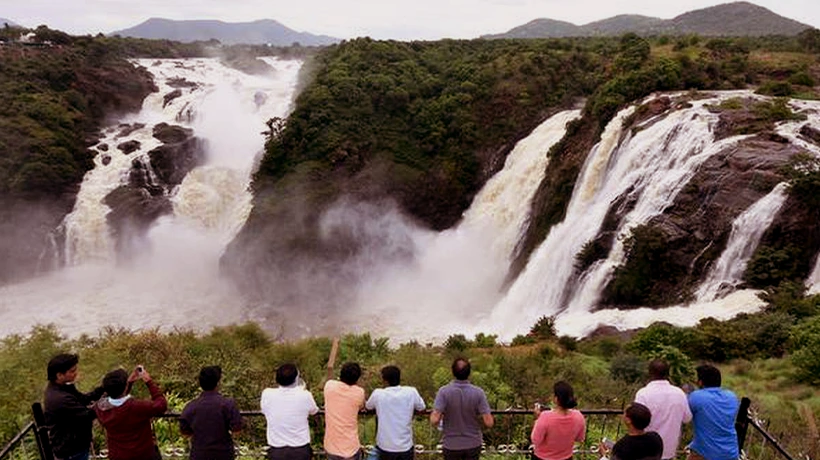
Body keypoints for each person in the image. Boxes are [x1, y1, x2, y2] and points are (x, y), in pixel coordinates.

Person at [94, 365, 168, 460]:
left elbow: (117, 400)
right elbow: (161, 405)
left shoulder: (100, 409)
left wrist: (128, 383)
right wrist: (149, 381)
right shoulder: (136, 407)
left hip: (117, 456)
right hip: (142, 455)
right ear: (124, 387)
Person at [43, 353, 105, 460]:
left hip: (76, 446)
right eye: (72, 371)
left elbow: (83, 399)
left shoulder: (64, 387)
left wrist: (103, 388)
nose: (76, 374)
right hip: (71, 451)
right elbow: (87, 415)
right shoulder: (59, 399)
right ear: (59, 375)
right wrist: (109, 401)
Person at [430, 357, 494, 460]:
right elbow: (489, 422)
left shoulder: (443, 392)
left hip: (451, 445)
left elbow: (434, 420)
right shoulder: (479, 392)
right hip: (473, 444)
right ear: (469, 372)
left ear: (453, 372)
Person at [179, 365, 244, 460]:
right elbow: (237, 431)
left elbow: (185, 433)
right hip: (223, 454)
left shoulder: (190, 407)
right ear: (218, 383)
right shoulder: (228, 404)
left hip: (199, 454)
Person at [365, 365, 426, 460]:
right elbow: (422, 407)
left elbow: (368, 407)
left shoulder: (378, 394)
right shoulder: (411, 392)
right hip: (405, 446)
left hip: (385, 446)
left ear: (384, 380)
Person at [635, 359, 692, 460]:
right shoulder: (679, 393)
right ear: (668, 373)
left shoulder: (643, 394)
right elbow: (687, 418)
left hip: (647, 452)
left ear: (650, 373)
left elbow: (636, 422)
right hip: (669, 451)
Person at [260, 363, 320, 460]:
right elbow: (314, 411)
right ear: (296, 379)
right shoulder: (305, 395)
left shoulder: (267, 394)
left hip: (277, 450)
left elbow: (264, 410)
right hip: (300, 449)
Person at [687, 365, 739, 460]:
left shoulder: (697, 397)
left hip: (705, 454)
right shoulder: (732, 397)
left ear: (701, 382)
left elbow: (685, 416)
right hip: (731, 453)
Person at [530, 381, 585, 460]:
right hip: (566, 457)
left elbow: (535, 440)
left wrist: (537, 419)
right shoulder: (578, 416)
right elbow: (579, 438)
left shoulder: (545, 417)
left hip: (542, 458)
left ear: (556, 399)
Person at [324, 362, 366, 460]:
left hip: (331, 447)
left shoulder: (330, 386)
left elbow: (329, 371)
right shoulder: (359, 392)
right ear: (357, 378)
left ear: (341, 374)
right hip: (351, 447)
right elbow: (362, 406)